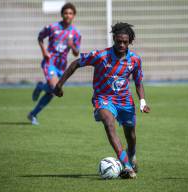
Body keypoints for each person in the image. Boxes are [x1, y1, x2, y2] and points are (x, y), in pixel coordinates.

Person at [54, 22, 150, 179]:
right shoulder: (101, 56)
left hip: (125, 101)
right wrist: (59, 84)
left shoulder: (135, 60)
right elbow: (76, 63)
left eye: (125, 42)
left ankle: (131, 155)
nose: (121, 44)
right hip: (103, 99)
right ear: (114, 39)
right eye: (118, 41)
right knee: (109, 123)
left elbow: (138, 82)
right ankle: (126, 166)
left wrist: (143, 102)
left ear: (130, 42)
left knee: (131, 135)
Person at [28, 2, 81, 125]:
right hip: (49, 61)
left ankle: (33, 114)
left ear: (74, 15)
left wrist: (72, 44)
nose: (68, 15)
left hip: (61, 66)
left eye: (70, 13)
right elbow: (40, 37)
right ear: (62, 14)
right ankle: (40, 86)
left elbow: (76, 53)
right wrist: (44, 51)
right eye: (66, 13)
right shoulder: (53, 27)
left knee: (53, 93)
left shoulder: (76, 33)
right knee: (54, 88)